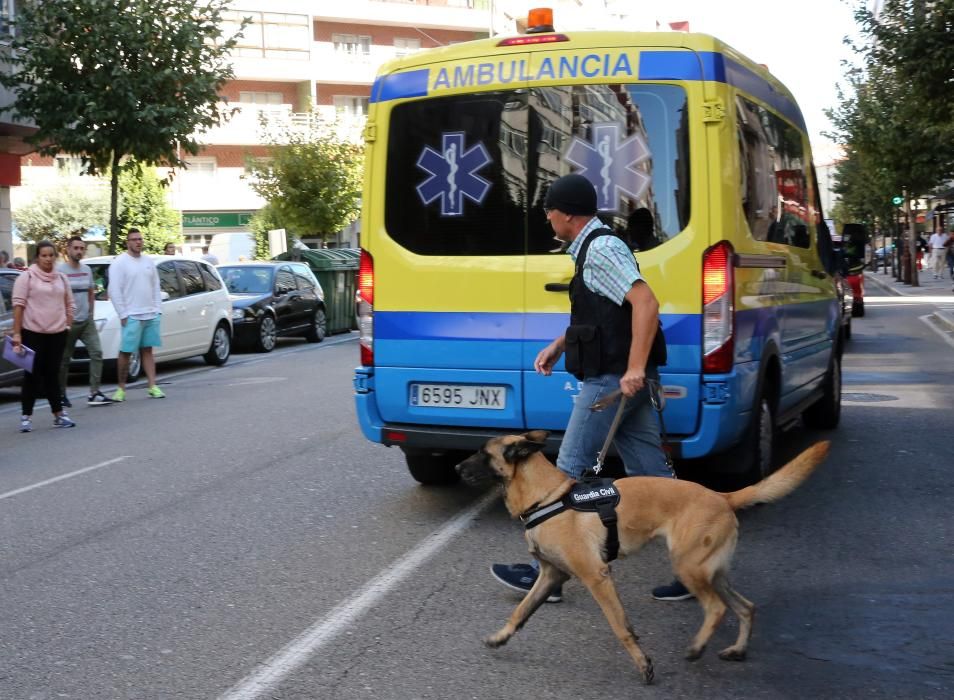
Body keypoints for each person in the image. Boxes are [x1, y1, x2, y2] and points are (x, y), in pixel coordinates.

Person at [490, 174, 691, 603]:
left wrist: (635, 367)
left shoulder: (600, 249)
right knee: (655, 478)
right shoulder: (592, 249)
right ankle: (694, 568)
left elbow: (645, 302)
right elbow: (604, 316)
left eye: (549, 210)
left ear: (566, 215)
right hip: (623, 379)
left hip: (612, 381)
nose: (547, 217)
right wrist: (561, 344)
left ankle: (546, 575)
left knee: (566, 469)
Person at [10, 240, 77, 432]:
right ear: (37, 257)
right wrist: (17, 334)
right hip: (33, 333)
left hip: (57, 334)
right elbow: (18, 306)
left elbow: (70, 304)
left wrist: (67, 326)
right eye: (44, 255)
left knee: (52, 375)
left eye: (51, 255)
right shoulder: (27, 277)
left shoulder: (62, 278)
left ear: (55, 257)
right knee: (32, 375)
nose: (48, 259)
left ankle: (58, 415)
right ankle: (26, 417)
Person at [107, 228, 165, 401]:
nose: (138, 242)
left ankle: (153, 386)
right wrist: (123, 314)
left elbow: (155, 286)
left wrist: (158, 309)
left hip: (150, 313)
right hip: (132, 314)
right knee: (126, 352)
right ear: (127, 242)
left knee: (148, 350)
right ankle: (121, 389)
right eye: (134, 239)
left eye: (140, 239)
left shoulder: (148, 261)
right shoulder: (119, 263)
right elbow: (115, 290)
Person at [58, 235, 114, 407]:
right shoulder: (61, 271)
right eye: (76, 248)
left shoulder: (87, 269)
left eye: (82, 248)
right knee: (64, 359)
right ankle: (61, 395)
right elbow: (57, 296)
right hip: (69, 322)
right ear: (68, 250)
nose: (79, 251)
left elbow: (90, 292)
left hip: (86, 321)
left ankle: (94, 392)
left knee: (97, 352)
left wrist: (91, 313)